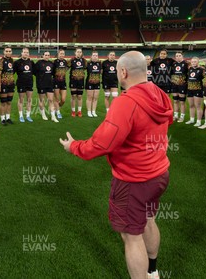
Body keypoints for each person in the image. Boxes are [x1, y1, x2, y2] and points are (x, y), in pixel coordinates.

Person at [59, 51, 172, 279]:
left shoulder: (126, 101)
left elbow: (103, 143)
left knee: (132, 236)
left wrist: (74, 147)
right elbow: (167, 123)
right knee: (148, 219)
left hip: (134, 180)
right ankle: (153, 271)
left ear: (123, 72)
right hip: (159, 173)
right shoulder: (159, 93)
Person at [33, 51, 58, 122]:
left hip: (49, 84)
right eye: (45, 55)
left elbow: (53, 73)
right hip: (41, 85)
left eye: (48, 55)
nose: (47, 56)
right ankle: (43, 114)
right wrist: (40, 78)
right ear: (43, 56)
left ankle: (53, 116)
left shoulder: (51, 64)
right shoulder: (38, 63)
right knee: (42, 100)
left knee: (51, 100)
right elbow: (35, 72)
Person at [14, 47, 35, 122]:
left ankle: (28, 116)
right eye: (24, 52)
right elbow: (12, 73)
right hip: (21, 83)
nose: (26, 54)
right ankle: (21, 116)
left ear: (29, 54)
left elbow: (35, 72)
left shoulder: (31, 62)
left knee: (29, 99)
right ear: (21, 53)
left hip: (29, 83)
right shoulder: (17, 62)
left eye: (27, 52)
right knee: (21, 100)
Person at [0, 46, 15, 125]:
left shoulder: (12, 60)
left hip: (11, 84)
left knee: (9, 102)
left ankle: (8, 118)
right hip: (3, 84)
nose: (8, 52)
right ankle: (2, 119)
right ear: (4, 52)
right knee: (3, 102)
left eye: (9, 51)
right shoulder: (1, 61)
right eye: (7, 51)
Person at [185, 57, 204, 126]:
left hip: (198, 89)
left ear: (198, 62)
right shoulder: (190, 69)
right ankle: (192, 119)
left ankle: (198, 121)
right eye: (192, 62)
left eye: (195, 61)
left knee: (198, 106)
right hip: (189, 89)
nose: (193, 63)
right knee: (191, 105)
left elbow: (205, 80)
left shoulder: (202, 70)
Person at [170, 51, 188, 122]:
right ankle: (176, 115)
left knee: (182, 102)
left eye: (179, 55)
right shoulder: (174, 64)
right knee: (175, 100)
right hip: (174, 84)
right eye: (176, 56)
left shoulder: (186, 64)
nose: (178, 57)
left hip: (182, 85)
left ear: (182, 56)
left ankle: (182, 116)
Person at [69, 48, 87, 117]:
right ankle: (73, 111)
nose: (79, 53)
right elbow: (66, 68)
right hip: (73, 81)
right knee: (73, 96)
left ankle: (79, 111)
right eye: (78, 52)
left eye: (80, 52)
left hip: (81, 81)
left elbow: (87, 68)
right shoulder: (72, 60)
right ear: (75, 53)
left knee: (79, 96)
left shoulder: (84, 61)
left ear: (82, 53)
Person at [53, 49, 69, 119]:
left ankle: (57, 107)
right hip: (56, 82)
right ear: (58, 54)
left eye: (63, 54)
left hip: (63, 82)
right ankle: (58, 112)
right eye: (61, 53)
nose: (62, 55)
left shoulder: (65, 62)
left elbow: (67, 69)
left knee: (63, 100)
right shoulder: (54, 62)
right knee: (57, 99)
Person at [85, 51, 101, 117]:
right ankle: (89, 111)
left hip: (97, 83)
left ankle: (93, 111)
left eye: (96, 55)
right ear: (91, 56)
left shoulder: (100, 64)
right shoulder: (88, 64)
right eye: (94, 55)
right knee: (90, 97)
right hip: (89, 83)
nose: (95, 57)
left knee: (95, 98)